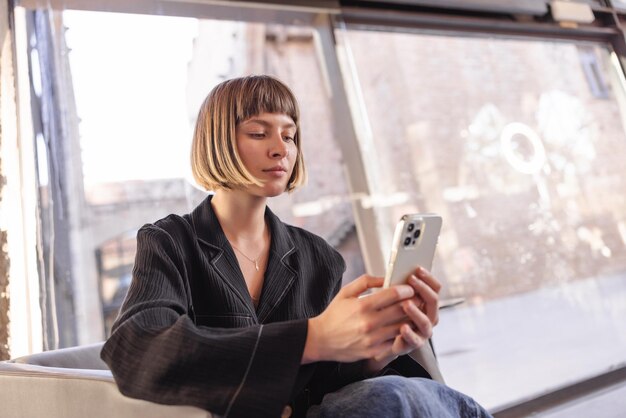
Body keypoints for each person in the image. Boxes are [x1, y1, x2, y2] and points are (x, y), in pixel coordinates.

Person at [101, 75, 492, 418]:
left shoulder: (318, 256)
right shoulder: (171, 243)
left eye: (288, 135)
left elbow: (324, 382)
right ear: (217, 140)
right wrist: (313, 337)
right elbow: (139, 347)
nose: (281, 149)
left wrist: (376, 353)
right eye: (259, 133)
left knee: (403, 394)